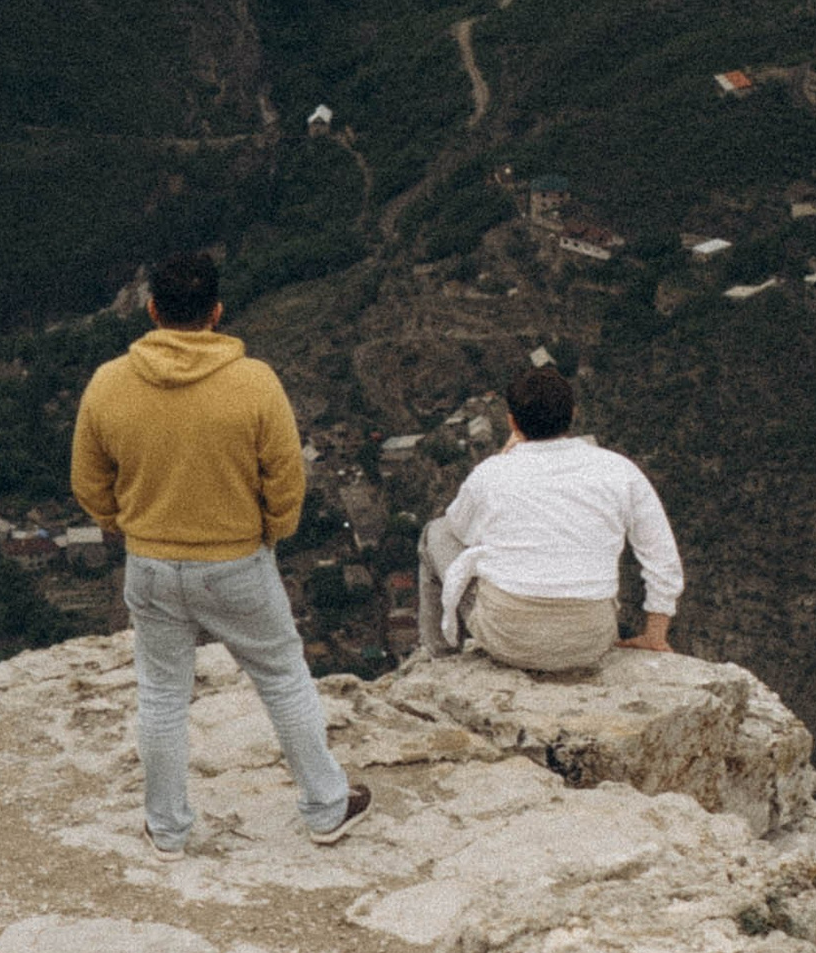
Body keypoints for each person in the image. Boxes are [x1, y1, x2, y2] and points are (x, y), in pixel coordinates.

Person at [69, 252, 371, 855]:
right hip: (236, 560)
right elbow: (287, 478)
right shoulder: (254, 381)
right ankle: (325, 808)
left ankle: (168, 829)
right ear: (217, 312)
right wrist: (270, 533)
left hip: (151, 563)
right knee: (283, 679)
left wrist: (129, 526)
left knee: (160, 694)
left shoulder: (109, 382)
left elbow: (88, 481)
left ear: (152, 310)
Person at [417, 364, 683, 676]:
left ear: (512, 421)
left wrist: (505, 461)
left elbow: (458, 532)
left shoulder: (491, 473)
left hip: (508, 639)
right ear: (573, 414)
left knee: (433, 533)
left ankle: (443, 660)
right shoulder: (619, 469)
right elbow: (662, 556)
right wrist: (654, 635)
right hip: (590, 641)